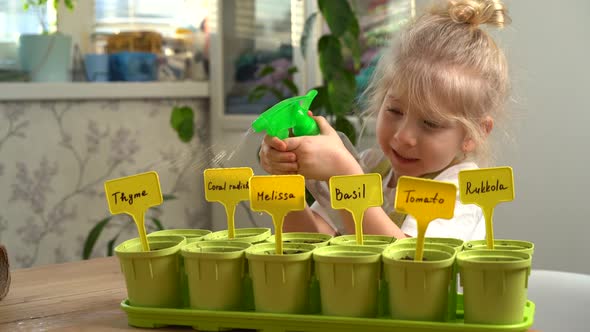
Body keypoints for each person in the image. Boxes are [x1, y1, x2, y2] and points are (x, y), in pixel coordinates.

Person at [258, 0, 512, 242]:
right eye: (395, 111)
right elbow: (313, 242)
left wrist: (347, 177)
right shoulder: (370, 166)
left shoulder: (460, 187)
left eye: (431, 123)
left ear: (472, 134)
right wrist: (286, 181)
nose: (403, 136)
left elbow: (410, 267)